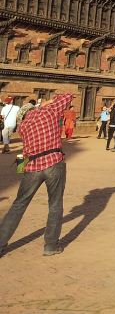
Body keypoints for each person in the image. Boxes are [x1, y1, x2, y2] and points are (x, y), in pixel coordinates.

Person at [0, 92, 73, 256]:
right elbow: (67, 96)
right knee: (55, 205)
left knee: (19, 205)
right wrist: (47, 102)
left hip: (32, 167)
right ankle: (51, 246)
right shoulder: (48, 112)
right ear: (35, 109)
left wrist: (22, 171)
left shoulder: (23, 127)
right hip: (54, 162)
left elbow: (25, 152)